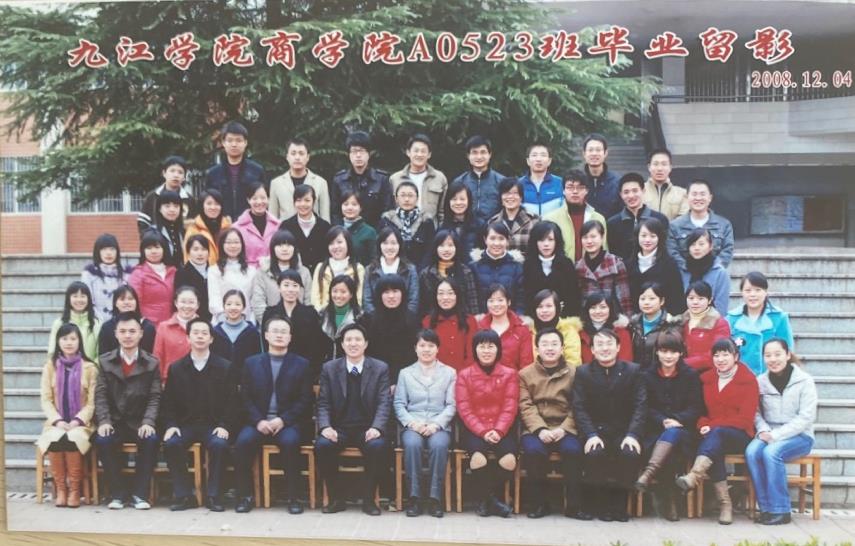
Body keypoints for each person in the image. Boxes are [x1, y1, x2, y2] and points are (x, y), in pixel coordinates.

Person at [234, 315, 314, 514]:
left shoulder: (302, 364)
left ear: (290, 337)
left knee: (290, 442)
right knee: (243, 442)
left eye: (284, 332)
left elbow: (305, 399)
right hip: (258, 422)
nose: (279, 335)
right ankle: (245, 496)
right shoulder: (251, 363)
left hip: (287, 422)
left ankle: (293, 498)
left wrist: (283, 420)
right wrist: (258, 421)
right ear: (266, 335)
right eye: (275, 331)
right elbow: (244, 397)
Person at [676, 338, 759, 525]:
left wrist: (712, 426)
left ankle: (694, 475)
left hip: (740, 434)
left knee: (716, 435)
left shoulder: (748, 380)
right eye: (716, 355)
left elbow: (745, 419)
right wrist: (704, 424)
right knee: (714, 445)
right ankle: (725, 504)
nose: (720, 359)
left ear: (736, 356)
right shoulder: (706, 379)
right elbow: (699, 411)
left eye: (725, 355)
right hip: (712, 434)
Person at [316, 323, 392, 515]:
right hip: (339, 428)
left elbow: (384, 402)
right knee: (323, 445)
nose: (353, 343)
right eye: (348, 340)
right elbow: (323, 402)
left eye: (358, 339)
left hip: (367, 428)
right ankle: (336, 499)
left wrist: (377, 427)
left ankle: (368, 500)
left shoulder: (380, 368)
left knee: (377, 446)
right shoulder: (330, 368)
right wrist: (325, 427)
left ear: (365, 343)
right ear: (342, 344)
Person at [161, 318, 235, 512]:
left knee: (219, 444)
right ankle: (185, 495)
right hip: (186, 424)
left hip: (214, 424)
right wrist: (171, 425)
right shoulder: (176, 368)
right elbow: (168, 402)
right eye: (195, 333)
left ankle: (214, 496)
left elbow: (232, 402)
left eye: (204, 333)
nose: (200, 337)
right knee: (171, 443)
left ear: (211, 339)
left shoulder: (225, 367)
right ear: (188, 338)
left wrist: (225, 425)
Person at [573, 328, 646, 522]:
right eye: (599, 345)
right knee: (594, 453)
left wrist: (632, 435)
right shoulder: (583, 372)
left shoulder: (633, 370)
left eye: (609, 344)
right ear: (593, 350)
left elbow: (640, 406)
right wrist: (590, 434)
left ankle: (618, 507)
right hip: (596, 431)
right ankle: (596, 506)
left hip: (624, 431)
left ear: (618, 347)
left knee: (629, 454)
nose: (605, 348)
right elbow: (579, 408)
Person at [519, 328, 590, 520]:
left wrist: (564, 428)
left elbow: (579, 405)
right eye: (544, 344)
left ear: (562, 348)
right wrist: (540, 429)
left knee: (573, 451)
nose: (549, 348)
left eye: (554, 344)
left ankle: (574, 506)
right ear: (537, 348)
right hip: (536, 427)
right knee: (534, 451)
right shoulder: (525, 374)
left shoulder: (575, 373)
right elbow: (525, 406)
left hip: (565, 426)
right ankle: (539, 504)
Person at [746, 338, 817, 526]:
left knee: (771, 452)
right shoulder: (760, 381)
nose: (773, 359)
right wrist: (764, 430)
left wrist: (776, 436)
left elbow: (806, 417)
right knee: (752, 452)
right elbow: (755, 412)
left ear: (787, 355)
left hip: (800, 436)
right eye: (768, 355)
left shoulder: (804, 381)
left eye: (777, 354)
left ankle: (781, 510)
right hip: (769, 431)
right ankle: (766, 508)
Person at [94, 312, 161, 510]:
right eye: (123, 331)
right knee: (103, 440)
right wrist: (104, 421)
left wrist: (148, 422)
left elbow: (155, 396)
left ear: (141, 333)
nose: (128, 335)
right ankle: (118, 494)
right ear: (116, 334)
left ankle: (140, 494)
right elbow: (100, 395)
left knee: (151, 439)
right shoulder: (105, 361)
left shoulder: (151, 362)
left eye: (132, 331)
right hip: (115, 421)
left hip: (139, 421)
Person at [634, 330, 703, 521]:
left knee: (674, 435)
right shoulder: (647, 375)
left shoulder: (690, 375)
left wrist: (677, 419)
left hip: (684, 431)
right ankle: (670, 500)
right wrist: (662, 421)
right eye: (664, 351)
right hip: (654, 431)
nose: (668, 356)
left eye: (673, 351)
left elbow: (696, 407)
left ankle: (649, 474)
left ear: (681, 353)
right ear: (657, 352)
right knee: (669, 449)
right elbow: (644, 406)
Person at [455, 329, 519, 518]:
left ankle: (486, 499)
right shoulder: (464, 375)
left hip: (502, 429)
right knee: (478, 459)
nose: (486, 351)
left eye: (491, 346)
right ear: (475, 349)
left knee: (509, 460)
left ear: (498, 349)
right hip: (474, 430)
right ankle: (493, 502)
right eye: (481, 346)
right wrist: (483, 431)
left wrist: (498, 430)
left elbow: (510, 406)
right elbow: (464, 408)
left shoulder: (509, 374)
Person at [394, 329, 456, 517]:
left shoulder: (449, 373)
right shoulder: (405, 373)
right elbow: (399, 404)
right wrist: (413, 424)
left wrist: (436, 425)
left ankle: (435, 498)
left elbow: (452, 405)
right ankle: (414, 498)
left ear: (438, 349)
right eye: (422, 345)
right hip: (414, 423)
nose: (426, 349)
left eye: (431, 345)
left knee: (439, 445)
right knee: (412, 444)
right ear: (415, 348)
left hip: (439, 425)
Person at [36, 323, 98, 508]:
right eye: (64, 339)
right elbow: (46, 399)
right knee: (55, 438)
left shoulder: (90, 368)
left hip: (82, 424)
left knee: (72, 438)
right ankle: (62, 490)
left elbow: (92, 402)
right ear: (58, 341)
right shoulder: (50, 367)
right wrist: (58, 420)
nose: (69, 343)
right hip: (56, 421)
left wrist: (78, 420)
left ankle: (75, 490)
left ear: (80, 342)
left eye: (73, 338)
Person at [727, 272, 795, 376]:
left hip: (772, 378)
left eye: (758, 290)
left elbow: (788, 350)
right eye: (748, 290)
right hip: (740, 378)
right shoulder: (731, 319)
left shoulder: (779, 318)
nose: (752, 294)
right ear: (742, 293)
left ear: (766, 292)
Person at [260, 271, 324, 374]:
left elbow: (317, 345)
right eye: (286, 285)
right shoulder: (270, 313)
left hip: (304, 369)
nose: (290, 289)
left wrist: (313, 371)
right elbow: (265, 343)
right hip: (276, 368)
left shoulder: (310, 314)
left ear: (300, 288)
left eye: (295, 285)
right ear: (279, 288)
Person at [360, 274, 419, 385]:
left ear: (403, 293)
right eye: (386, 292)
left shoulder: (412, 320)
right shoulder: (368, 321)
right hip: (375, 379)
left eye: (395, 291)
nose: (391, 296)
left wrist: (397, 382)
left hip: (406, 380)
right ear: (379, 295)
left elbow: (414, 356)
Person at [204, 121, 267, 220]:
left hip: (250, 224)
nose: (234, 144)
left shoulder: (257, 171)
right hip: (221, 224)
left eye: (238, 140)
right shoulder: (212, 173)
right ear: (223, 143)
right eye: (230, 140)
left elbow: (264, 201)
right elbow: (207, 202)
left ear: (245, 143)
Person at [667, 179, 734, 271]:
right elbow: (672, 252)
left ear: (710, 198)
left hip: (714, 274)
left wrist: (711, 270)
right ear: (687, 197)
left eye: (702, 194)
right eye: (694, 194)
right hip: (684, 275)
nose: (698, 198)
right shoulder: (675, 226)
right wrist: (689, 269)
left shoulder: (724, 225)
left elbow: (727, 251)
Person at [330, 131, 393, 227]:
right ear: (349, 154)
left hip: (375, 232)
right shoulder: (339, 180)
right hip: (346, 233)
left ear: (369, 154)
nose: (358, 155)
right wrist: (341, 232)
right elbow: (335, 213)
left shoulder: (382, 179)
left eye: (362, 151)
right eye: (354, 151)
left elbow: (387, 211)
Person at [544, 170, 608, 262]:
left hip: (591, 269)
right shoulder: (550, 219)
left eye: (580, 188)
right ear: (563, 191)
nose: (575, 191)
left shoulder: (598, 218)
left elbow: (604, 250)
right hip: (561, 269)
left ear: (586, 190)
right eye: (570, 187)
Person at [627, 217, 685, 316]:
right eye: (643, 236)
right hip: (634, 319)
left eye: (652, 236)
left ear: (659, 238)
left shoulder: (669, 264)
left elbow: (677, 297)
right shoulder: (629, 265)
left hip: (663, 319)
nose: (647, 240)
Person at [251, 228, 312, 323]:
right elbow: (258, 304)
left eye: (289, 245)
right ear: (272, 248)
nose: (284, 249)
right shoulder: (262, 273)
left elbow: (308, 301)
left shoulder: (304, 272)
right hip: (272, 327)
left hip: (300, 325)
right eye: (280, 245)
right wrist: (273, 325)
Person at [606, 172, 669, 261]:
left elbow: (665, 250)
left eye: (635, 191)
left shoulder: (660, 219)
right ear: (620, 194)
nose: (631, 196)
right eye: (626, 192)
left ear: (643, 191)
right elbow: (613, 254)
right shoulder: (612, 224)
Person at [523, 221, 581, 317]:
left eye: (550, 239)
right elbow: (526, 297)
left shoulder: (566, 264)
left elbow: (573, 296)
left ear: (557, 241)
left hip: (563, 318)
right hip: (535, 318)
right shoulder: (528, 265)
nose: (546, 244)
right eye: (541, 240)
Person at [575, 220, 632, 316]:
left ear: (602, 237)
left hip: (611, 316)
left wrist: (628, 319)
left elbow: (624, 298)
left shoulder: (616, 264)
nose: (589, 241)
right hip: (586, 317)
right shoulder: (577, 267)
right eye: (585, 237)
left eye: (593, 236)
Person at [268, 137, 331, 222]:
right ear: (287, 157)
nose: (297, 157)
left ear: (308, 157)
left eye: (301, 153)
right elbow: (272, 219)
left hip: (314, 229)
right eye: (293, 153)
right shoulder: (276, 183)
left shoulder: (321, 183)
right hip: (285, 230)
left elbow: (325, 218)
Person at [419, 229, 480, 315]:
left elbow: (472, 302)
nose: (446, 249)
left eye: (450, 245)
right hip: (434, 319)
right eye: (442, 245)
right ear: (435, 248)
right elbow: (423, 305)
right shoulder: (426, 274)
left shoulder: (466, 272)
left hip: (461, 319)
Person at [422, 278, 478, 372]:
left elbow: (472, 355)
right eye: (441, 293)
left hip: (462, 375)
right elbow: (426, 354)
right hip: (435, 375)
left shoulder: (469, 321)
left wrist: (462, 375)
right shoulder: (428, 321)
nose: (445, 297)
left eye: (450, 293)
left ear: (457, 295)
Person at [390, 133, 448, 222]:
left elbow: (443, 212)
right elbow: (390, 210)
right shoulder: (395, 179)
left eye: (423, 151)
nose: (419, 154)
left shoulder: (439, 178)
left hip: (430, 228)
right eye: (416, 151)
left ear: (429, 154)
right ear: (408, 152)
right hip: (401, 228)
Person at [470, 222, 525, 314]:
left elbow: (521, 300)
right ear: (485, 239)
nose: (496, 243)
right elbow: (471, 298)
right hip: (482, 320)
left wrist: (516, 318)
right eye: (492, 238)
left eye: (501, 238)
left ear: (507, 240)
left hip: (509, 319)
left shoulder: (517, 268)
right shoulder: (474, 267)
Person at [378, 181, 436, 267]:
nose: (406, 199)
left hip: (420, 268)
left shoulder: (426, 221)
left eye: (410, 195)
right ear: (396, 199)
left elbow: (430, 249)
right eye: (403, 195)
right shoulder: (387, 220)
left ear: (417, 198)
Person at [362, 227, 419, 314]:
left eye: (393, 243)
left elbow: (413, 301)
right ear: (379, 245)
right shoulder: (370, 269)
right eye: (385, 243)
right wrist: (376, 318)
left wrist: (406, 318)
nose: (389, 247)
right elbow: (367, 300)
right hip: (377, 319)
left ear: (400, 245)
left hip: (404, 318)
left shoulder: (410, 269)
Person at [477, 284, 533, 371]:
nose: (496, 304)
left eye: (500, 300)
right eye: (491, 301)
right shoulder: (479, 328)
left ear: (509, 302)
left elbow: (526, 364)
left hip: (515, 378)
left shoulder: (521, 329)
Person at [452, 135, 505, 225]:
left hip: (494, 229)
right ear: (468, 156)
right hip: (466, 229)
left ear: (490, 154)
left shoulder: (501, 181)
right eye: (474, 153)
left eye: (483, 152)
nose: (479, 157)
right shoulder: (459, 182)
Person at [278, 184, 332, 273]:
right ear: (294, 202)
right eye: (298, 200)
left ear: (314, 201)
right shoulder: (286, 226)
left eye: (307, 200)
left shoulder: (325, 227)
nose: (303, 204)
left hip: (320, 275)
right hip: (294, 275)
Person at [208, 228, 258, 324]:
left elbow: (254, 301)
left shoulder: (252, 271)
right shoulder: (214, 270)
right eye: (228, 242)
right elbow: (214, 300)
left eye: (236, 242)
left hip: (246, 322)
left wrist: (249, 322)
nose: (233, 246)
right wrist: (228, 321)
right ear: (222, 245)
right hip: (221, 322)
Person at [212, 290, 262, 385]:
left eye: (237, 304)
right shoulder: (215, 332)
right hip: (220, 384)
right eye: (229, 304)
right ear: (223, 307)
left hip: (246, 384)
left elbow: (257, 361)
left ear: (244, 307)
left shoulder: (252, 332)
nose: (233, 307)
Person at [629, 282, 683, 369]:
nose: (646, 302)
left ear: (662, 301)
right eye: (642, 299)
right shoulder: (632, 324)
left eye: (652, 299)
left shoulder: (671, 324)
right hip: (636, 373)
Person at [682, 280, 732, 374]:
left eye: (701, 298)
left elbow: (717, 354)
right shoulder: (681, 321)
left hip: (709, 374)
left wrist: (682, 364)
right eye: (691, 298)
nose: (695, 302)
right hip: (682, 374)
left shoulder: (719, 323)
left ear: (710, 300)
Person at [128, 230, 177, 327]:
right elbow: (133, 303)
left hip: (172, 324)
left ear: (164, 249)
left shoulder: (174, 272)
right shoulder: (138, 274)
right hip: (149, 326)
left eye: (157, 247)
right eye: (149, 248)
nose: (153, 251)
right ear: (143, 251)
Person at [311, 226, 365, 310]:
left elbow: (359, 298)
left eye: (339, 242)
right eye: (331, 243)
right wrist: (322, 314)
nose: (335, 246)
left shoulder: (358, 269)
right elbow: (315, 298)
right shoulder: (320, 267)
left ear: (348, 243)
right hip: (323, 315)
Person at [678, 228, 730, 316]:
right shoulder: (682, 270)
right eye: (693, 244)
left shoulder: (719, 273)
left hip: (711, 321)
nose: (697, 248)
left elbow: (721, 307)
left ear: (710, 246)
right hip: (684, 320)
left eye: (701, 244)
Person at [153, 286, 200, 383]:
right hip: (170, 381)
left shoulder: (205, 328)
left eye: (191, 302)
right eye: (183, 302)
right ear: (176, 303)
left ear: (198, 305)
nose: (187, 306)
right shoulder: (163, 327)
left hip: (199, 381)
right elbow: (157, 357)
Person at [81, 233, 132, 322]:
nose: (108, 253)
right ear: (98, 252)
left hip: (122, 322)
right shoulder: (89, 273)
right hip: (96, 321)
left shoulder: (126, 273)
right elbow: (88, 300)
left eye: (112, 249)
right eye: (104, 249)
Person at [138, 155, 197, 232]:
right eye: (172, 171)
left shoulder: (189, 200)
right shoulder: (152, 197)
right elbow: (143, 223)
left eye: (180, 172)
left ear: (184, 177)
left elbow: (194, 225)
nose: (176, 175)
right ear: (164, 173)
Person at [48, 281, 101, 362]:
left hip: (90, 368)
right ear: (68, 299)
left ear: (88, 299)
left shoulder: (96, 324)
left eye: (83, 296)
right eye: (75, 296)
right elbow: (52, 352)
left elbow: (100, 353)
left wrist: (90, 368)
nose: (79, 300)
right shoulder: (59, 323)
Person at [529, 289, 582, 367]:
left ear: (557, 307)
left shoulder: (568, 330)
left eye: (549, 306)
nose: (544, 310)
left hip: (564, 373)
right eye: (540, 307)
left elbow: (573, 362)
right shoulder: (529, 331)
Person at [233, 181, 280, 268]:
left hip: (273, 272)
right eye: (254, 198)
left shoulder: (278, 225)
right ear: (248, 200)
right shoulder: (237, 228)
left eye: (263, 198)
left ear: (268, 199)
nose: (259, 202)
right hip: (247, 272)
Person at [98, 286, 157, 355]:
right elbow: (103, 355)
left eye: (130, 299)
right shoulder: (107, 327)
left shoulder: (148, 327)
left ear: (136, 302)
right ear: (115, 303)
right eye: (122, 299)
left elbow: (151, 355)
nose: (126, 302)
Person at [487, 177, 539, 255]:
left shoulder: (534, 221)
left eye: (515, 193)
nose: (510, 197)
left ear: (521, 197)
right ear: (501, 197)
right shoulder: (492, 222)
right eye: (506, 193)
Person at [579, 291, 633, 364]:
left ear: (610, 309)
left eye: (603, 307)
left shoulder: (621, 332)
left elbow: (626, 362)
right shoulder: (579, 332)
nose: (597, 311)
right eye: (593, 308)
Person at [319, 275, 363, 363]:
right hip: (325, 366)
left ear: (351, 294)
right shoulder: (321, 315)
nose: (338, 295)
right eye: (335, 291)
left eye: (343, 292)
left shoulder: (360, 317)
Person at [184, 189, 231, 265]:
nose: (213, 207)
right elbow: (188, 257)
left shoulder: (228, 227)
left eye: (217, 204)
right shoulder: (193, 229)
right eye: (209, 204)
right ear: (202, 206)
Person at [581, 134, 622, 220]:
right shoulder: (578, 181)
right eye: (590, 150)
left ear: (605, 153)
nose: (594, 153)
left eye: (598, 150)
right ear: (584, 154)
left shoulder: (617, 181)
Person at [440, 180, 484, 258]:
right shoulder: (442, 226)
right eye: (454, 199)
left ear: (469, 201)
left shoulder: (480, 225)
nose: (458, 203)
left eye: (462, 199)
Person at [642, 148, 688, 221]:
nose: (660, 168)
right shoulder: (639, 191)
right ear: (649, 167)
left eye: (664, 164)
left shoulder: (682, 194)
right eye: (655, 164)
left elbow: (683, 221)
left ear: (670, 167)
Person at [175, 234, 212, 322]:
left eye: (204, 249)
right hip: (191, 319)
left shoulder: (213, 271)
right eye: (195, 249)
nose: (200, 253)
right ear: (188, 252)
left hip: (213, 319)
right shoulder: (182, 273)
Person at [520, 143, 563, 217]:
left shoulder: (560, 183)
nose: (538, 159)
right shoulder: (518, 185)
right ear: (528, 161)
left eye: (543, 155)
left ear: (549, 161)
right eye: (534, 155)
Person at [337, 189, 378, 267]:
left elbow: (374, 260)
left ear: (361, 207)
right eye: (346, 204)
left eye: (354, 204)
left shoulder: (369, 232)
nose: (349, 208)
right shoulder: (336, 230)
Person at [144, 190, 186, 266]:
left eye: (176, 206)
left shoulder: (183, 231)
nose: (172, 210)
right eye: (167, 206)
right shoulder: (153, 232)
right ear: (159, 209)